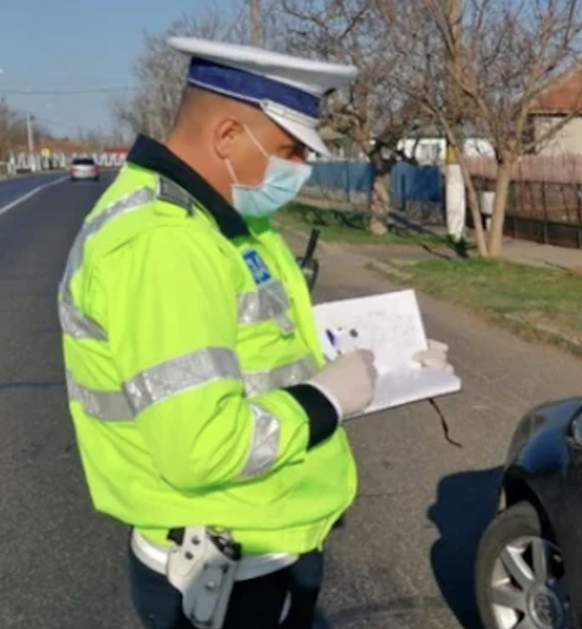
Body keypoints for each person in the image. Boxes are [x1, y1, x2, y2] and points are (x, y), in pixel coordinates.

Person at [57, 37, 450, 629]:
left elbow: (263, 344)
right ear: (227, 137)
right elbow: (202, 448)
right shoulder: (163, 246)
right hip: (222, 577)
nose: (300, 167)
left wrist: (389, 361)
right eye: (290, 149)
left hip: (262, 546)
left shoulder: (229, 221)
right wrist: (325, 398)